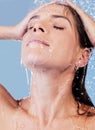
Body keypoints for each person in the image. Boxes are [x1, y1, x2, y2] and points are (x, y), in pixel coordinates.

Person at [0, 1, 95, 130]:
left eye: (58, 26)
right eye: (30, 26)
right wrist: (13, 31)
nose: (37, 27)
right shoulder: (5, 113)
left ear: (82, 56)